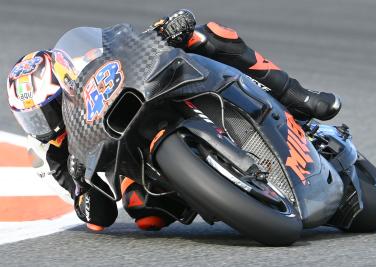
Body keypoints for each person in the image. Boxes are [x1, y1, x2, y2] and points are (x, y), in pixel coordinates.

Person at [6, 10, 341, 232]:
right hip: (133, 164)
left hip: (143, 95)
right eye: (34, 118)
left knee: (208, 34)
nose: (46, 123)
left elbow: (123, 44)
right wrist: (82, 189)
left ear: (64, 84)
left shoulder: (83, 62)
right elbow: (97, 217)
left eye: (49, 108)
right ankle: (224, 190)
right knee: (146, 214)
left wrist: (164, 32)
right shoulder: (48, 156)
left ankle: (297, 96)